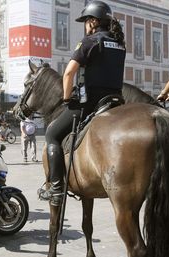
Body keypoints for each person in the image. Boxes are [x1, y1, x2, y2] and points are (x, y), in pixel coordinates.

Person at [38, 0, 126, 205]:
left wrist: (67, 98)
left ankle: (57, 189)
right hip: (116, 101)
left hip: (91, 101)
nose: (85, 26)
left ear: (93, 21)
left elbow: (69, 73)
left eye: (86, 21)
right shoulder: (120, 43)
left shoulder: (90, 41)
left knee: (52, 133)